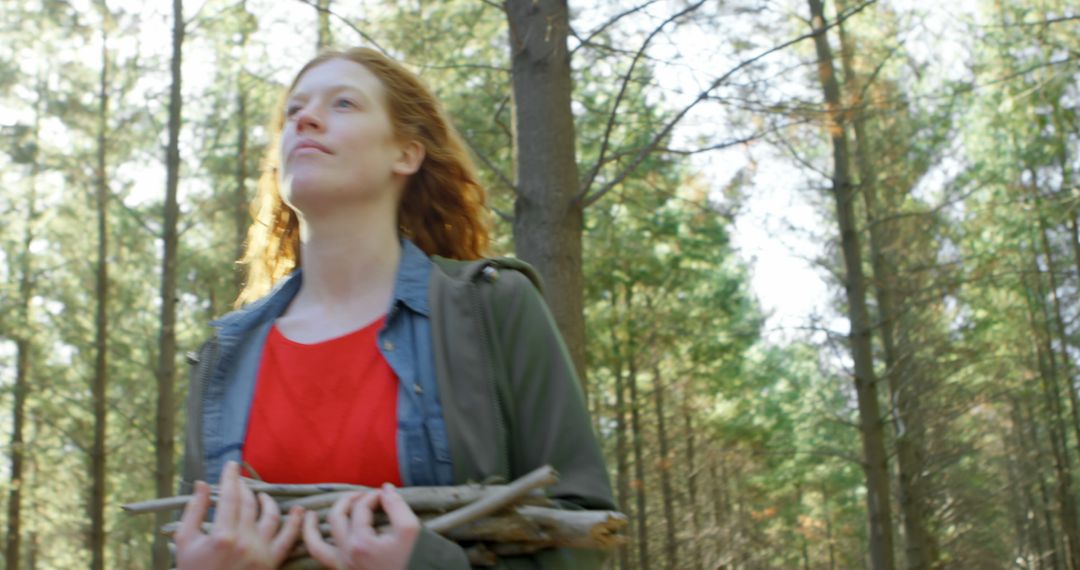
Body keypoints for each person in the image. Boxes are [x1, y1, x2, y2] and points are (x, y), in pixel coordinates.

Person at [174, 46, 614, 570]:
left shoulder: (493, 308)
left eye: (343, 104)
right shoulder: (225, 355)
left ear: (406, 154)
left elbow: (582, 533)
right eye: (295, 112)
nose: (305, 119)